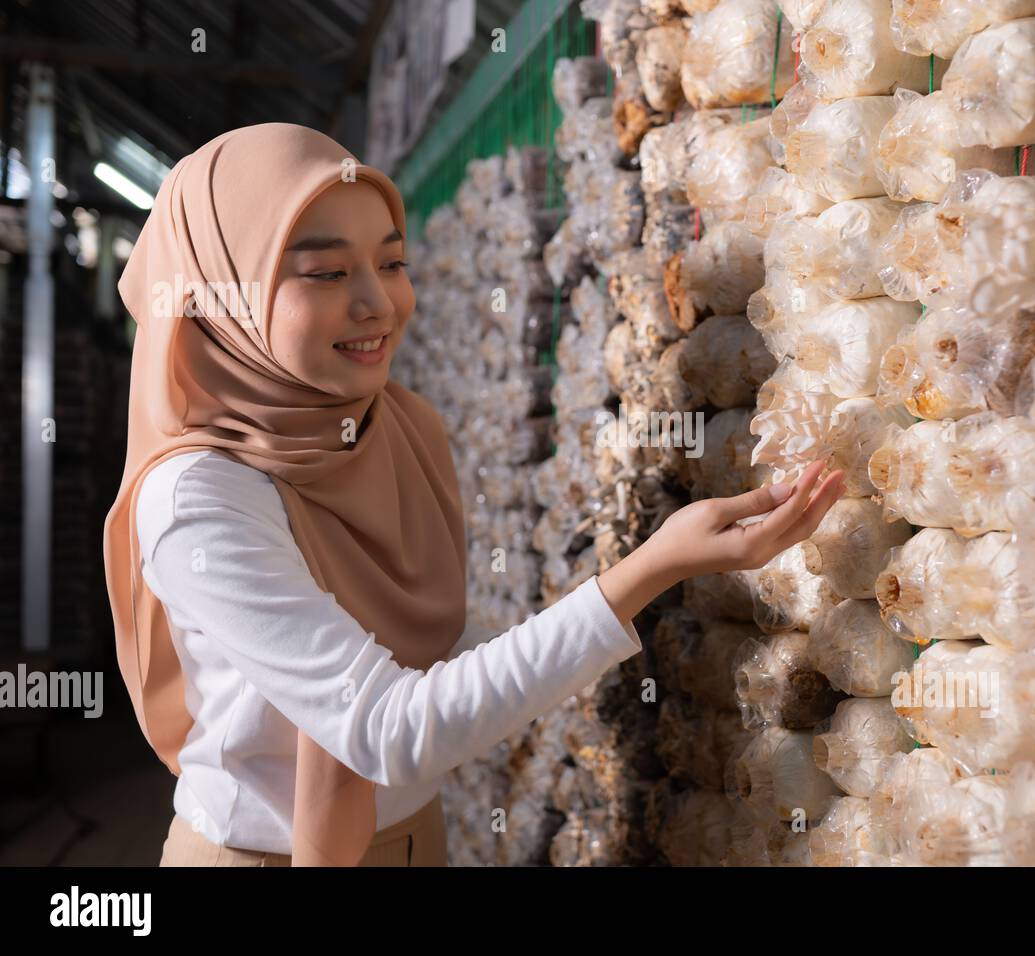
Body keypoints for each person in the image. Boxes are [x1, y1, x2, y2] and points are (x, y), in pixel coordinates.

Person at [102, 123, 845, 868]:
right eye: (324, 274)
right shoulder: (198, 500)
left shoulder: (393, 432)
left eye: (391, 262)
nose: (378, 303)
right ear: (219, 299)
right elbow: (387, 728)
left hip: (413, 837)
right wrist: (648, 570)